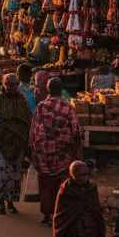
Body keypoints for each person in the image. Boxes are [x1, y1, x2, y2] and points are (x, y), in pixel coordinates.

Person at [29, 76, 83, 225]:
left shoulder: (40, 107)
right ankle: (59, 214)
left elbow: (33, 131)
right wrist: (77, 155)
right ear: (61, 90)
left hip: (43, 156)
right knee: (61, 186)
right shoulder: (68, 108)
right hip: (62, 156)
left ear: (48, 89)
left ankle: (47, 215)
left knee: (46, 186)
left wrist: (31, 151)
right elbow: (76, 133)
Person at [0, 72, 33, 214]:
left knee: (16, 175)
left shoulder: (22, 100)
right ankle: (0, 201)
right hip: (1, 143)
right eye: (8, 85)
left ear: (18, 85)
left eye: (14, 85)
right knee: (1, 174)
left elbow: (28, 120)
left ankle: (11, 202)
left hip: (18, 143)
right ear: (3, 85)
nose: (11, 88)